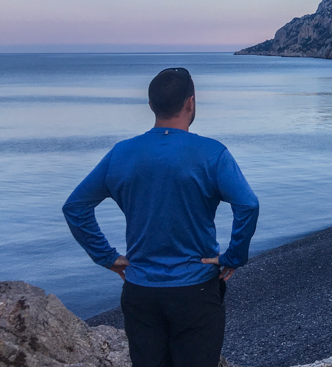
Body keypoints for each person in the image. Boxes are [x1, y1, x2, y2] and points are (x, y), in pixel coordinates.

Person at [63, 67, 259, 367]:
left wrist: (107, 257)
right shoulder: (212, 153)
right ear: (190, 103)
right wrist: (234, 256)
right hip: (196, 288)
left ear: (151, 105)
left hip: (141, 290)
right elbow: (247, 205)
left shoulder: (121, 153)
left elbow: (76, 207)